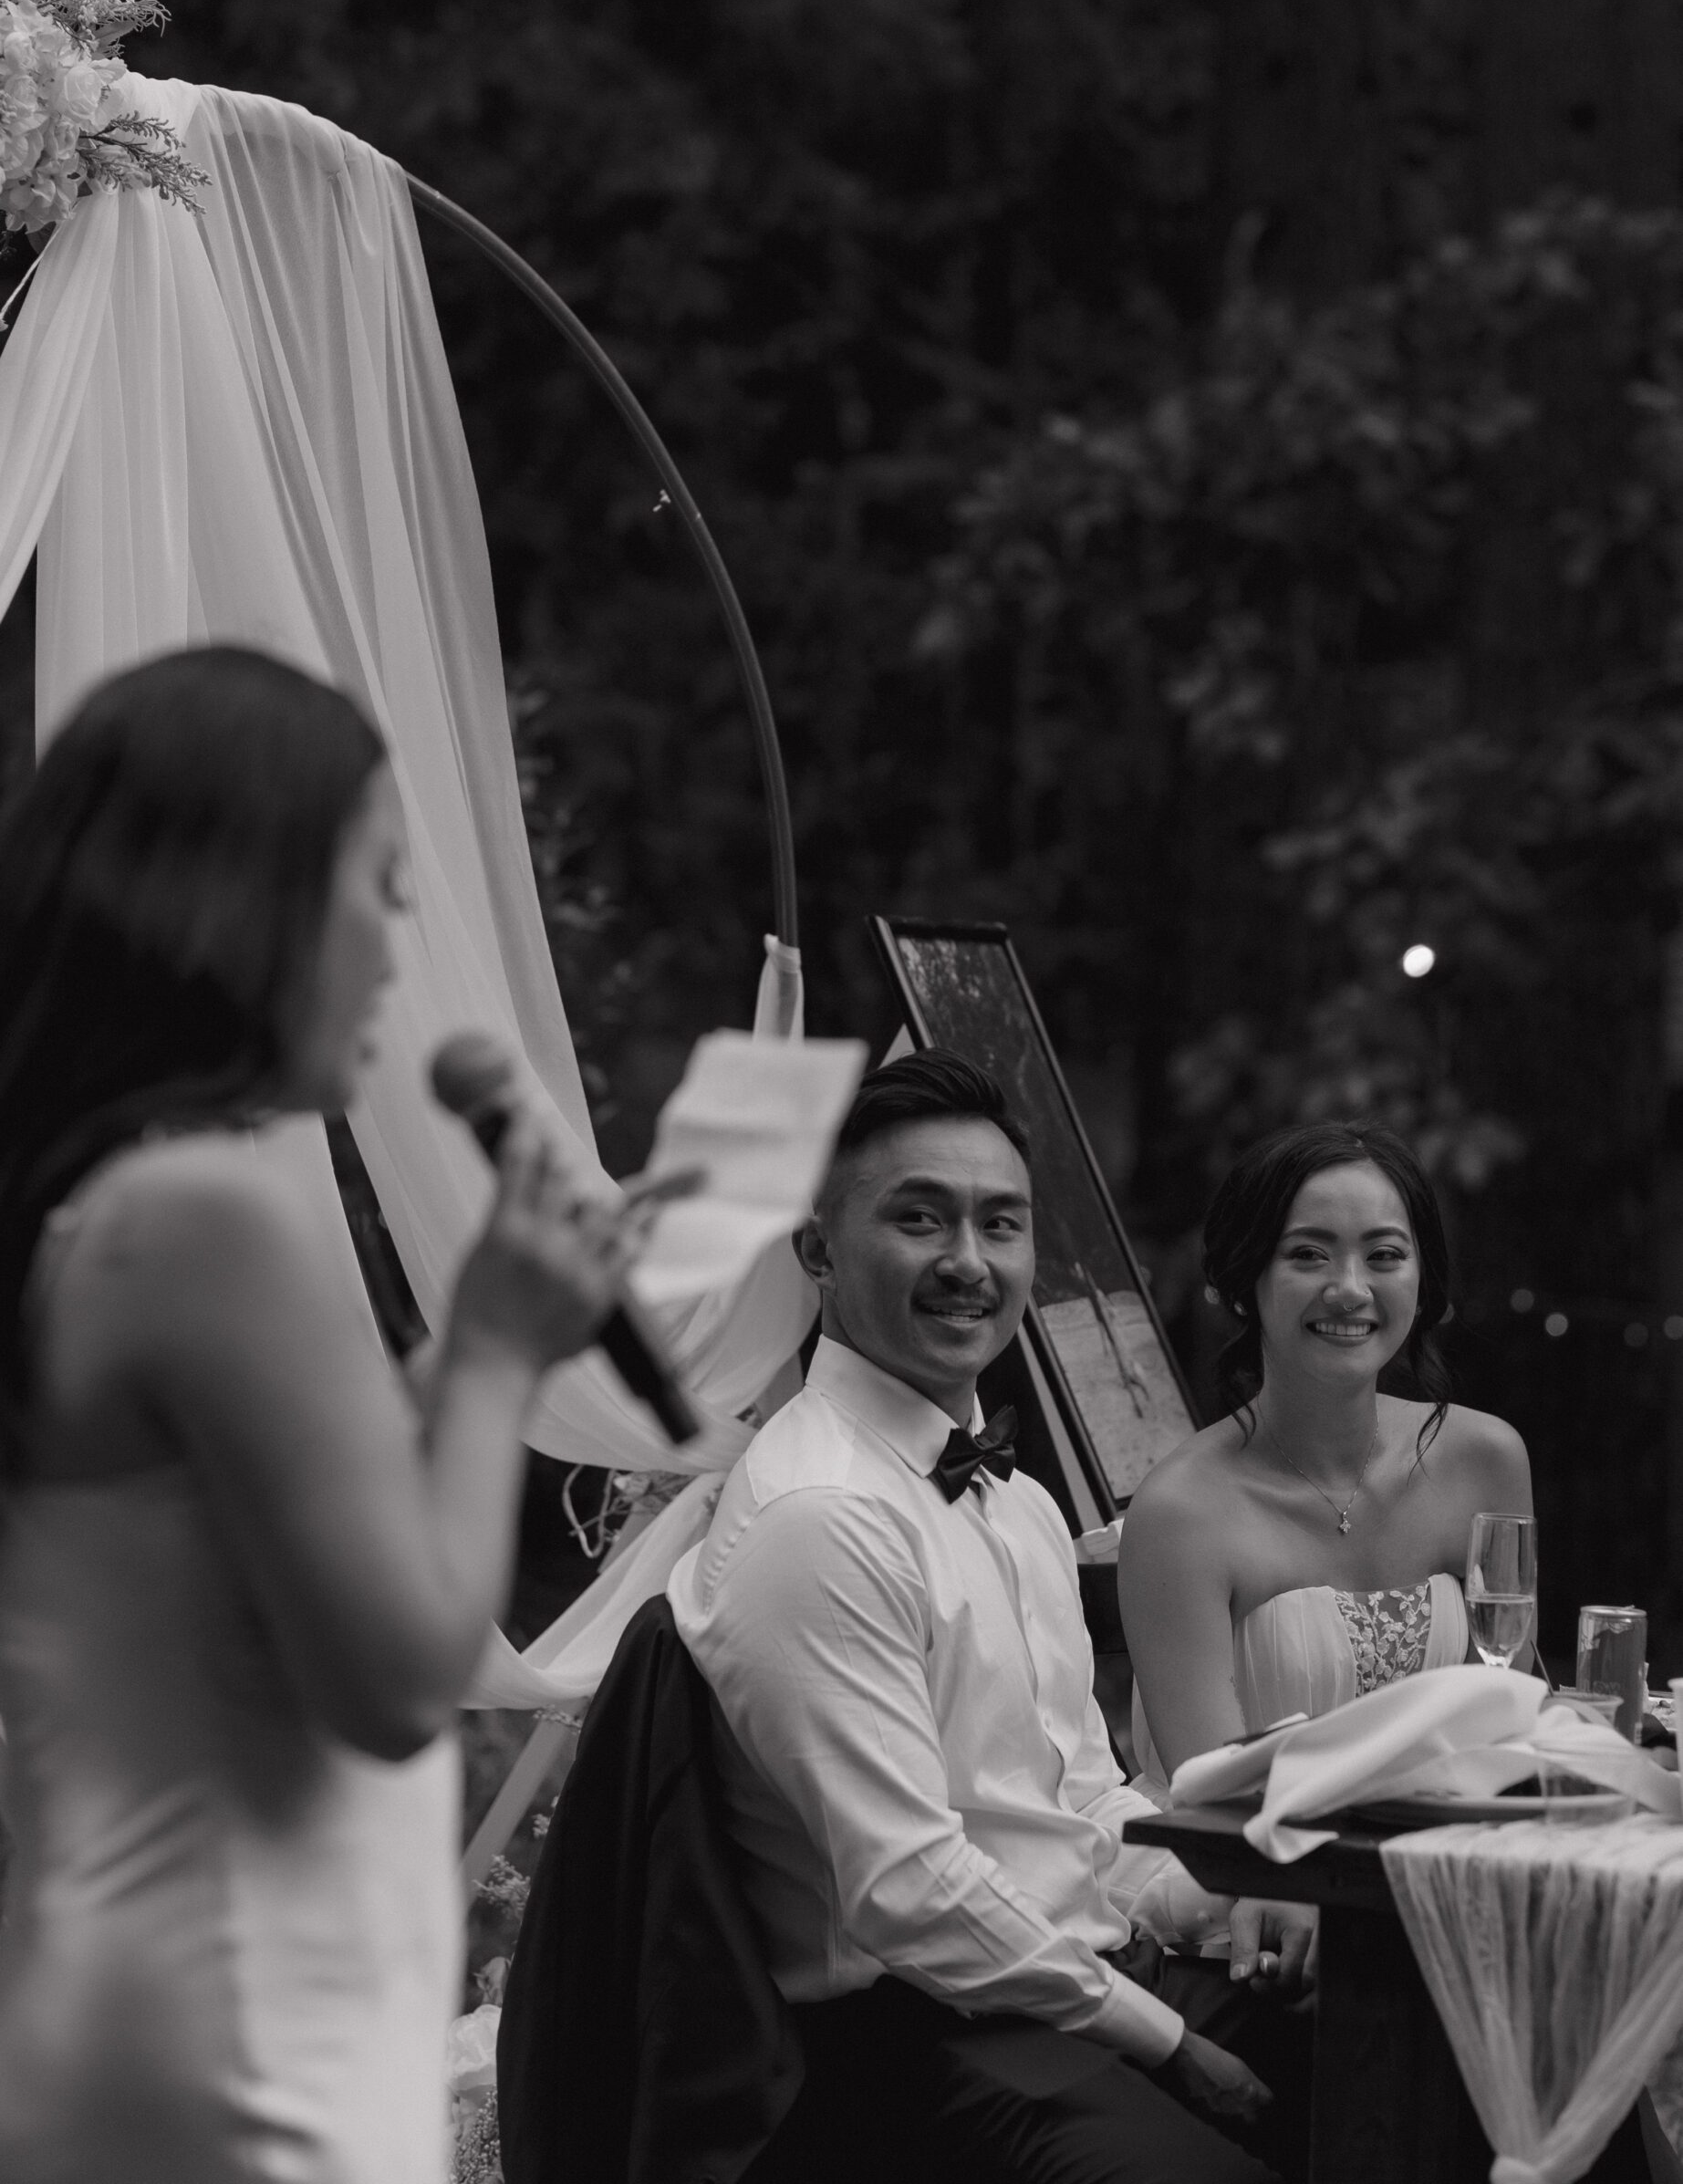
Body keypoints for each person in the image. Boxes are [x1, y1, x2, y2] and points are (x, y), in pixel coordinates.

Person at [0, 648, 652, 2184]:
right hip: (242, 2043)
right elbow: (401, 1673)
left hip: (140, 2010)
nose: (399, 930)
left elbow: (237, 1534)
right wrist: (491, 1356)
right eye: (378, 877)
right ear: (244, 899)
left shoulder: (99, 1205)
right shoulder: (208, 1214)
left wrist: (462, 1364)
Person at [670, 1048, 1308, 2184]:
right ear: (818, 1249)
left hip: (1078, 1980)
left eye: (1000, 1224)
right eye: (920, 1218)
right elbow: (909, 1892)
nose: (969, 1261)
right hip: (909, 2043)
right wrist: (1169, 2041)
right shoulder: (821, 1514)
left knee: (1424, 2040)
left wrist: (1221, 1902)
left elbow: (1082, 1798)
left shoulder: (1017, 1502)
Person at [1117, 1120, 1532, 1804]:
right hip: (1232, 1857)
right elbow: (1215, 1796)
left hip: (1442, 1848)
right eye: (1308, 1254)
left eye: (1384, 1255)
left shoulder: (1486, 1462)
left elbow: (1503, 1724)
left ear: (1422, 1278)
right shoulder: (1181, 1510)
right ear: (1245, 1280)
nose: (1349, 1288)